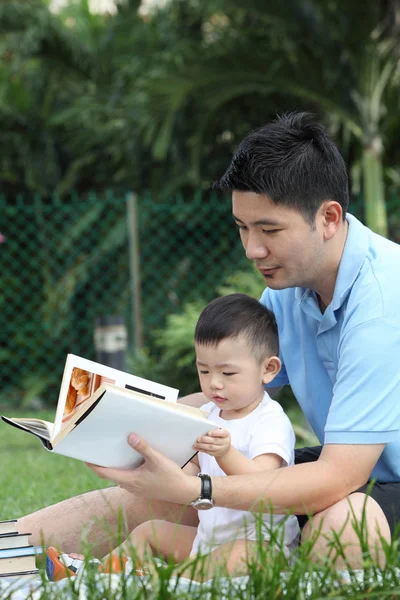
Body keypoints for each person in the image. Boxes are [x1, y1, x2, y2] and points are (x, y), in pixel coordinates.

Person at [19, 111, 400, 569]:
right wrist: (122, 418)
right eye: (243, 227)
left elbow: (341, 475)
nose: (252, 249)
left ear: (329, 218)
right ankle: (9, 551)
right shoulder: (291, 289)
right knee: (162, 497)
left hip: (364, 477)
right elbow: (233, 389)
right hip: (353, 468)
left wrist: (201, 489)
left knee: (341, 525)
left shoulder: (381, 302)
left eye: (269, 230)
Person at [46, 294, 299, 581]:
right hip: (208, 540)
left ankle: (155, 579)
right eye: (204, 370)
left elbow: (263, 483)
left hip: (263, 547)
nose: (214, 382)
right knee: (148, 531)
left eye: (228, 373)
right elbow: (189, 471)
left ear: (269, 369)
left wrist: (225, 454)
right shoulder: (208, 414)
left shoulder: (270, 420)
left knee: (237, 556)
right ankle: (101, 571)